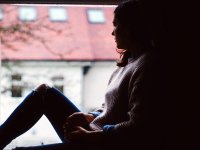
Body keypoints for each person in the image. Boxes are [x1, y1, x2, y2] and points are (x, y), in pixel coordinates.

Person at [0, 0, 166, 149]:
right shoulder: (127, 62)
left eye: (116, 25)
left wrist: (90, 136)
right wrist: (89, 116)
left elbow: (139, 128)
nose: (112, 32)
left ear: (130, 28)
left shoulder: (148, 65)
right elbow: (109, 108)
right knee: (44, 92)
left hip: (103, 143)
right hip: (94, 133)